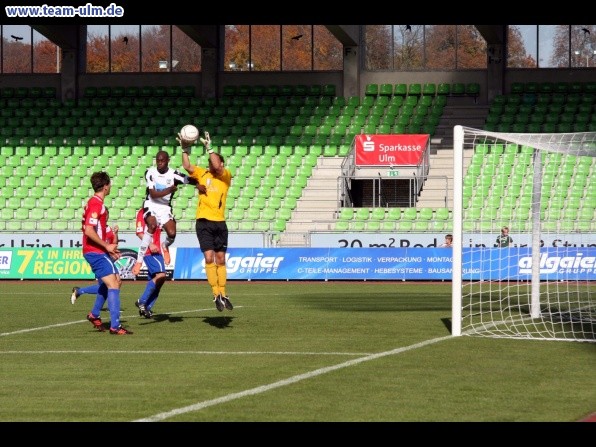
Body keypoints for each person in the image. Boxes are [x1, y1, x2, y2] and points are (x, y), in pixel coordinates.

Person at [180, 130, 233, 312]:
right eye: (209, 161)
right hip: (203, 221)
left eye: (213, 161)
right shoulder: (203, 174)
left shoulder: (225, 176)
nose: (210, 163)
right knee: (209, 257)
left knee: (221, 259)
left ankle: (223, 293)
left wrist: (210, 149)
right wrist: (184, 149)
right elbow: (187, 166)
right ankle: (216, 294)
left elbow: (217, 167)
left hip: (219, 222)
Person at [82, 171, 132, 335]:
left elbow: (90, 228)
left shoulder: (95, 203)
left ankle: (95, 314)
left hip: (98, 251)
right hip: (94, 251)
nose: (110, 187)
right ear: (105, 186)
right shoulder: (96, 204)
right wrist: (106, 246)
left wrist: (107, 248)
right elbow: (89, 230)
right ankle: (115, 326)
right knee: (114, 284)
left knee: (115, 281)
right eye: (109, 184)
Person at [132, 150, 194, 275]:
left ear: (168, 161)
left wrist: (201, 183)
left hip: (165, 208)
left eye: (162, 161)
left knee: (172, 233)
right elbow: (153, 195)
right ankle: (139, 261)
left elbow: (189, 179)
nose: (159, 163)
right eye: (158, 161)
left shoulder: (174, 174)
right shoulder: (150, 172)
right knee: (152, 226)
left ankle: (164, 246)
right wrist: (170, 189)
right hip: (151, 205)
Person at [133, 207, 167, 319]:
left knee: (159, 281)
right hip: (149, 250)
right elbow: (139, 232)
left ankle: (146, 307)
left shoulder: (160, 211)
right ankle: (142, 301)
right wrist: (150, 244)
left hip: (157, 250)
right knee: (161, 275)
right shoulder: (143, 212)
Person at [71, 224, 118, 304]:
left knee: (110, 284)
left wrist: (116, 233)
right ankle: (80, 291)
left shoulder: (108, 229)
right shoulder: (95, 229)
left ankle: (80, 292)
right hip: (99, 258)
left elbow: (114, 243)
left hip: (107, 258)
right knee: (107, 285)